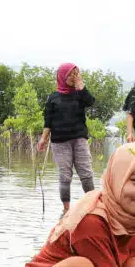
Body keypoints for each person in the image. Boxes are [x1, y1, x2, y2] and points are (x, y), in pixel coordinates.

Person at [37, 63, 96, 215]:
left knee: (86, 173)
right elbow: (48, 121)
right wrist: (43, 139)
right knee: (65, 176)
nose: (73, 77)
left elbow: (90, 102)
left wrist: (81, 86)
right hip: (60, 142)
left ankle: (92, 205)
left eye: (76, 74)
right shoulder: (53, 98)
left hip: (79, 139)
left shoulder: (80, 94)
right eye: (70, 74)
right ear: (63, 76)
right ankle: (66, 210)